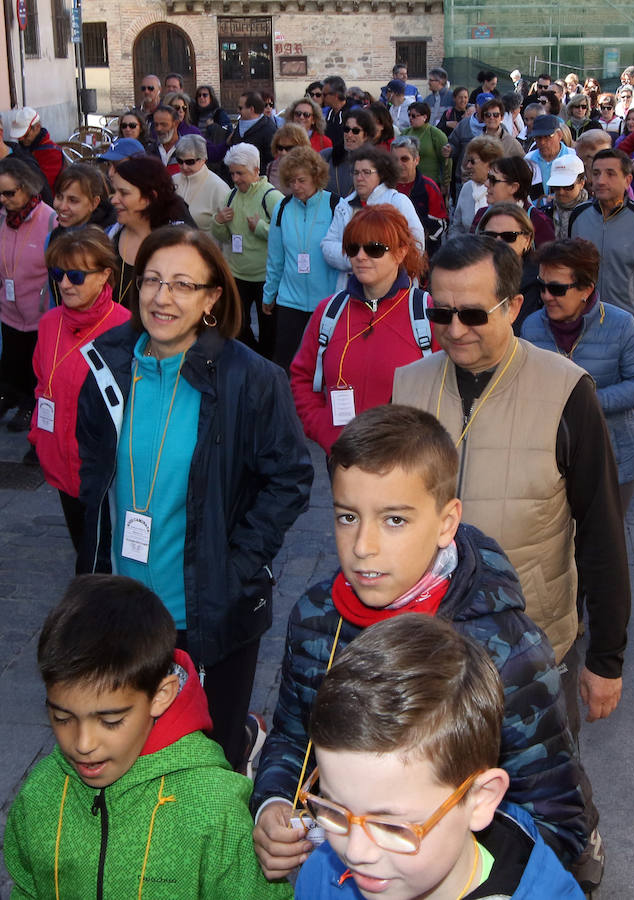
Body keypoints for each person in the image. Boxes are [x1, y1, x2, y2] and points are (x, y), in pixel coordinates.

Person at [252, 405, 591, 882]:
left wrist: (441, 867)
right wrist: (274, 801)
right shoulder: (315, 619)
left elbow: (557, 820)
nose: (363, 545)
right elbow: (293, 737)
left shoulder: (506, 652)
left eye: (394, 520)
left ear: (447, 522)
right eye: (347, 516)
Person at [392, 235, 630, 787]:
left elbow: (601, 531)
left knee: (545, 794)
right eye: (441, 313)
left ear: (513, 305)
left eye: (473, 314)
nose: (455, 329)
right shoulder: (408, 384)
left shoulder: (567, 391)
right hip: (428, 649)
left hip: (533, 651)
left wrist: (607, 659)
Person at [75, 226, 312, 771]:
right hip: (122, 604)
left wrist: (237, 566)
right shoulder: (106, 366)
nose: (163, 297)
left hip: (207, 607)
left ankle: (241, 744)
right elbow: (93, 468)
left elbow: (290, 478)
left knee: (208, 757)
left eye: (183, 284)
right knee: (132, 746)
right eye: (152, 280)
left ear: (212, 299)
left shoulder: (250, 379)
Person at [3, 574, 294, 899]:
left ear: (161, 695)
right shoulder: (40, 793)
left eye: (110, 720)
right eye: (62, 718)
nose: (83, 744)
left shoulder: (215, 809)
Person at [295, 614, 585, 899]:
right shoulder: (322, 875)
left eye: (391, 826)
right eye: (334, 811)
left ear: (480, 799)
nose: (355, 852)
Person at [521, 238, 634, 514]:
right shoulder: (531, 327)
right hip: (549, 462)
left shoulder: (621, 325)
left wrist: (588, 401)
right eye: (542, 286)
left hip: (612, 458)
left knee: (604, 536)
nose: (546, 296)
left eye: (556, 288)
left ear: (587, 289)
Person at [292, 205, 436, 454]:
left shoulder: (426, 312)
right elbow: (302, 378)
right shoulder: (329, 311)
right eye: (353, 248)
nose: (360, 256)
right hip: (344, 459)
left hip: (405, 461)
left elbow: (447, 388)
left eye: (374, 248)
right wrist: (325, 431)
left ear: (401, 252)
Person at [30, 227, 130, 552]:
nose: (64, 284)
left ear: (104, 275)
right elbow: (42, 383)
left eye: (75, 275)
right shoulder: (49, 323)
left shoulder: (126, 329)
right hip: (60, 463)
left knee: (103, 556)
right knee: (81, 545)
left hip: (104, 474)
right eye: (58, 274)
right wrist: (39, 435)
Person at [570, 148, 634, 341]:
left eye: (610, 174)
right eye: (596, 173)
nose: (601, 181)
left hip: (632, 329)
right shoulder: (579, 216)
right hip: (585, 325)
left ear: (627, 180)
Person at [261, 147, 345, 372]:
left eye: (301, 180)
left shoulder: (335, 205)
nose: (296, 186)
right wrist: (269, 294)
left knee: (325, 364)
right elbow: (275, 258)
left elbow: (346, 254)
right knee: (285, 363)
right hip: (290, 300)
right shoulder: (282, 208)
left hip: (327, 300)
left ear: (316, 177)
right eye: (291, 181)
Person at [211, 143, 283, 358]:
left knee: (269, 329)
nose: (235, 178)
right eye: (232, 173)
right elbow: (223, 236)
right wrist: (218, 222)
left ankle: (266, 365)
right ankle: (253, 357)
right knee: (237, 326)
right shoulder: (231, 196)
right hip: (237, 274)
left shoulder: (272, 197)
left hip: (265, 277)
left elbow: (286, 235)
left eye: (240, 173)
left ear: (255, 170)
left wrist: (260, 228)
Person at [0, 158, 57, 431]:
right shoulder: (2, 219)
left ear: (27, 188)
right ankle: (10, 395)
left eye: (9, 193)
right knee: (12, 361)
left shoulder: (50, 220)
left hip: (39, 314)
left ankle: (30, 406)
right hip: (8, 310)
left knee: (35, 366)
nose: (3, 199)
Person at [320, 147, 425, 290]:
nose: (359, 178)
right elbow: (327, 246)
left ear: (381, 174)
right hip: (352, 288)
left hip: (394, 288)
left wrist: (373, 262)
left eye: (366, 172)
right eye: (356, 172)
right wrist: (360, 259)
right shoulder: (344, 205)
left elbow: (416, 246)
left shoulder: (397, 201)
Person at [108, 155, 192, 308]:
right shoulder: (108, 239)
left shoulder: (176, 248)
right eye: (115, 192)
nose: (114, 200)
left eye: (124, 193)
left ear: (149, 198)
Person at [48, 164, 117, 303]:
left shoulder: (108, 241)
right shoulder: (54, 237)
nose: (62, 206)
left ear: (94, 203)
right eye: (59, 197)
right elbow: (53, 294)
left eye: (73, 200)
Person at [475, 202, 539, 334]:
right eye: (490, 236)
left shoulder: (540, 283)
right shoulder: (467, 278)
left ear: (527, 240)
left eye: (509, 236)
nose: (498, 242)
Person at [473, 155, 556, 247]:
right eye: (488, 178)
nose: (486, 184)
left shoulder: (539, 222)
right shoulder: (481, 215)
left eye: (493, 180)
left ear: (513, 187)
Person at [391, 135, 448, 257]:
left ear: (416, 160)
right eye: (395, 159)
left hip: (424, 254)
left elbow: (440, 225)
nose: (399, 164)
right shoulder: (384, 187)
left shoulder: (429, 187)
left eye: (404, 159)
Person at [172, 134, 230, 232]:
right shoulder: (173, 181)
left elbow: (227, 230)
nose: (184, 166)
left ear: (203, 160)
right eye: (180, 161)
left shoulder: (218, 187)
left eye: (190, 162)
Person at [450, 136, 503, 235]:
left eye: (472, 161)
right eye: (468, 161)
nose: (468, 165)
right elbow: (457, 226)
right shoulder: (467, 188)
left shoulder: (502, 190)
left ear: (489, 163)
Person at [320, 108, 376, 198]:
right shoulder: (327, 155)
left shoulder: (375, 162)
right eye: (346, 129)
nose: (349, 135)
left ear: (366, 135)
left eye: (355, 131)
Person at [8, 107, 64, 192]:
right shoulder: (24, 148)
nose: (21, 140)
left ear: (37, 127)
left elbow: (41, 186)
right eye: (19, 137)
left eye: (25, 135)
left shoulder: (53, 153)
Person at [525, 114, 579, 198]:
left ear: (559, 135)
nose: (542, 142)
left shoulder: (573, 156)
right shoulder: (529, 160)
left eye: (547, 137)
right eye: (538, 138)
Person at [228, 92, 277, 173]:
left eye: (240, 108)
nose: (237, 111)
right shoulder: (240, 125)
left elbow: (271, 161)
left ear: (251, 109)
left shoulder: (269, 129)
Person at [402, 101, 448, 187]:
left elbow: (446, 161)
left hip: (430, 183)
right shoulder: (405, 133)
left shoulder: (435, 134)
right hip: (409, 182)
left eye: (414, 116)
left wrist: (445, 183)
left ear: (425, 117)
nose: (410, 118)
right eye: (409, 115)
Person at [266, 124, 311, 192]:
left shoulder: (309, 169)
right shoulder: (271, 168)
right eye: (280, 148)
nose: (283, 152)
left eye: (289, 148)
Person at [322, 76, 355, 152]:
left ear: (336, 95)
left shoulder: (353, 112)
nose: (322, 97)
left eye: (324, 95)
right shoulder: (326, 112)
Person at [147, 105, 181, 174]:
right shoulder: (149, 151)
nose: (158, 129)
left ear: (176, 124)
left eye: (164, 125)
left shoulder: (188, 149)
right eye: (156, 125)